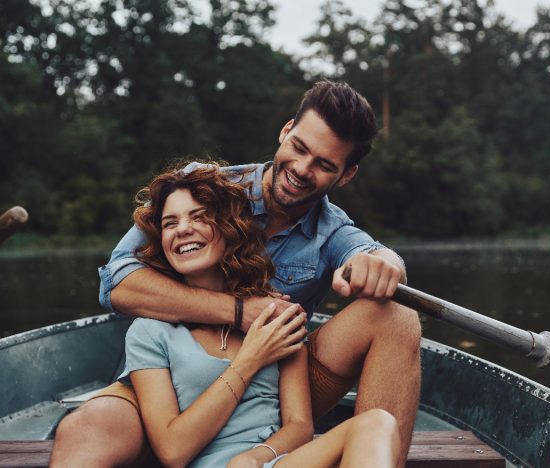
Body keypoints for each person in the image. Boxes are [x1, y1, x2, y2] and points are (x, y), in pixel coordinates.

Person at [51, 81, 422, 467]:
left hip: (273, 382)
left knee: (396, 315)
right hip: (170, 377)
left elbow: (372, 253)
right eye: (298, 147)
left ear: (345, 175)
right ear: (285, 131)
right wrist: (238, 311)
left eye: (325, 165)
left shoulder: (333, 232)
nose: (301, 168)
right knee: (86, 429)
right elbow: (117, 282)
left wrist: (385, 264)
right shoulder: (206, 191)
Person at [117, 165, 401, 467]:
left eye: (199, 216)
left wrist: (254, 457)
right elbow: (173, 451)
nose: (183, 229)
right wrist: (250, 360)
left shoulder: (275, 316)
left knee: (377, 423)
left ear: (229, 227)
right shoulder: (148, 333)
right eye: (169, 224)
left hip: (272, 463)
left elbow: (300, 425)